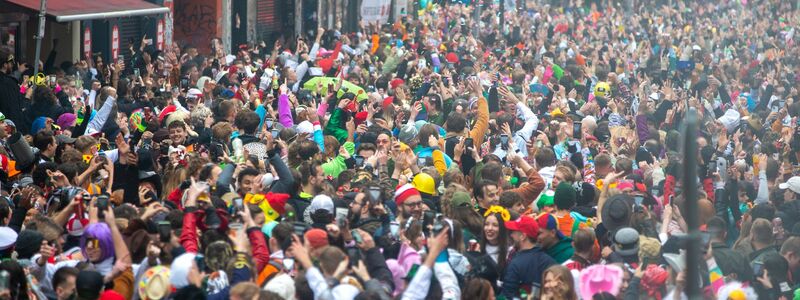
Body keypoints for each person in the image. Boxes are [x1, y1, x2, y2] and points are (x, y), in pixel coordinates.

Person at [502, 215, 555, 299]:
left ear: (523, 236)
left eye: (514, 232)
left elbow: (508, 295)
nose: (511, 235)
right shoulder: (550, 261)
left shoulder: (515, 264)